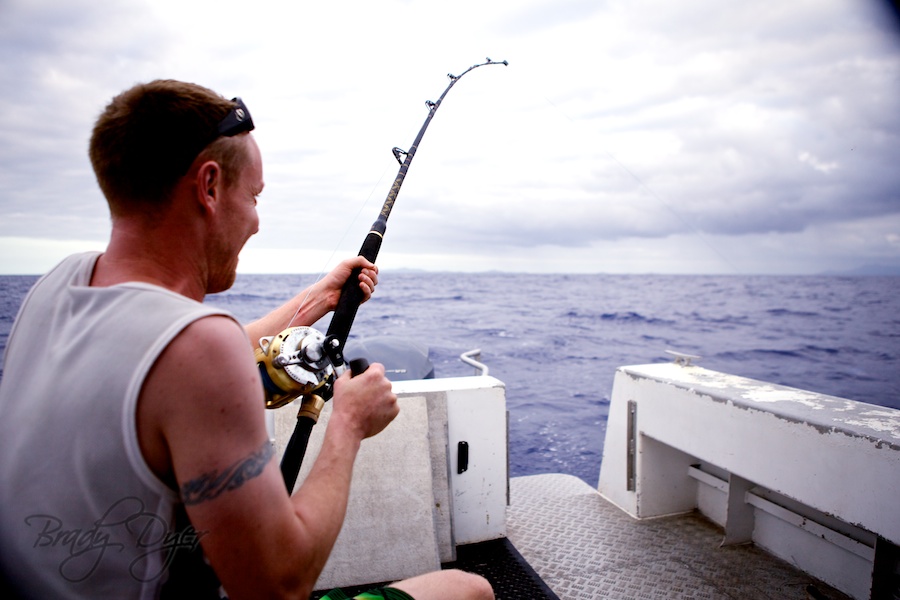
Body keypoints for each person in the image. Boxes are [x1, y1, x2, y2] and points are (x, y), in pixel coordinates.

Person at [0, 80, 494, 600]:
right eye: (254, 197)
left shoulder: (58, 286)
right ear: (209, 187)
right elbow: (279, 585)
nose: (257, 223)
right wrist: (348, 424)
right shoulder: (197, 351)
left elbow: (189, 351)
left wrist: (318, 298)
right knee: (468, 590)